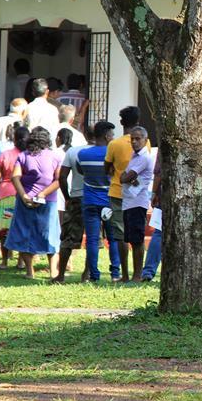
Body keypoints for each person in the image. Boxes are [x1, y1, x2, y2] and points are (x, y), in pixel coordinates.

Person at [4, 127, 62, 279]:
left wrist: (23, 196)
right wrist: (42, 194)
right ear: (47, 140)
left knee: (24, 234)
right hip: (48, 202)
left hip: (25, 201)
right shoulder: (54, 157)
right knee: (50, 235)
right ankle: (53, 272)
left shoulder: (23, 156)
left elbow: (15, 177)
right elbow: (58, 180)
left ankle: (30, 272)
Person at [105, 106, 147, 281]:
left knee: (120, 235)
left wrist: (120, 175)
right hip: (136, 194)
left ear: (121, 122)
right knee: (135, 235)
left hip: (117, 192)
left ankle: (124, 274)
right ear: (138, 121)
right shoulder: (147, 142)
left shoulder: (114, 144)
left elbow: (106, 168)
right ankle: (136, 273)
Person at [77, 121, 121, 282]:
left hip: (89, 200)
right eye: (112, 134)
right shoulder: (113, 154)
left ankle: (94, 275)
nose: (113, 138)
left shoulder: (83, 154)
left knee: (92, 239)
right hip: (109, 200)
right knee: (113, 237)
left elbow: (81, 171)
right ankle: (115, 273)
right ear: (106, 135)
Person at [54, 123, 89, 282]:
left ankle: (60, 274)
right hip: (96, 199)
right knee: (93, 238)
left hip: (75, 198)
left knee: (68, 237)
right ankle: (86, 274)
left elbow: (62, 177)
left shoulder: (73, 152)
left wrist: (67, 197)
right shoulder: (105, 152)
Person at [120, 127, 155, 283]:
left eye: (138, 138)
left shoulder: (144, 158)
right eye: (132, 139)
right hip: (128, 201)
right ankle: (132, 274)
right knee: (130, 239)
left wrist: (126, 177)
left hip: (137, 203)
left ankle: (137, 274)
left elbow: (125, 177)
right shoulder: (134, 156)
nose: (134, 141)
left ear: (145, 140)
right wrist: (125, 177)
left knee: (137, 240)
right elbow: (124, 176)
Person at [0, 126, 29, 269]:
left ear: (14, 139)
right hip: (24, 195)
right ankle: (21, 262)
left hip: (5, 194)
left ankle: (4, 261)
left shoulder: (5, 154)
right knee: (22, 227)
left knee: (4, 230)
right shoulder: (29, 155)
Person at [140, 154, 162, 282]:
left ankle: (148, 271)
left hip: (166, 193)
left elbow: (158, 172)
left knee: (159, 233)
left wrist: (154, 193)